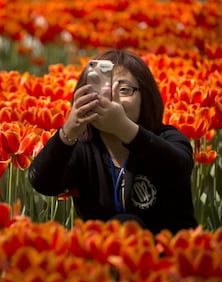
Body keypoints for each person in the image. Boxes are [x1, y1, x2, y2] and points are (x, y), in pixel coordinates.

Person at [28, 49, 198, 235]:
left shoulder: (166, 137)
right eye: (101, 90)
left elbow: (179, 168)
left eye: (124, 90)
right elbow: (42, 183)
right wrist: (68, 131)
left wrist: (122, 127)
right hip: (102, 255)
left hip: (168, 256)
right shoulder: (84, 148)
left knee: (127, 224)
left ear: (145, 96)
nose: (112, 99)